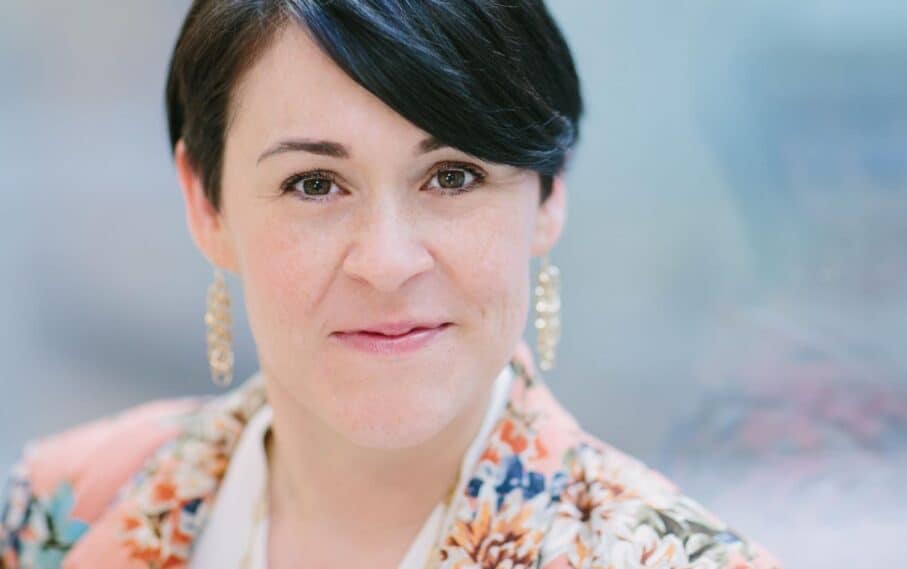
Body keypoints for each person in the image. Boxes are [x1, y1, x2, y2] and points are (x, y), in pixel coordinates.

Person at [0, 1, 780, 567]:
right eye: (314, 183)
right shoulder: (58, 509)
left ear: (548, 196)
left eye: (452, 175)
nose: (387, 260)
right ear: (205, 202)